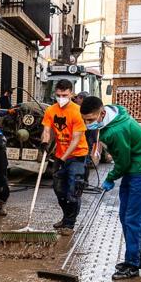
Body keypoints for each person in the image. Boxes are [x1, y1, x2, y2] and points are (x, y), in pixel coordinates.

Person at [79, 97, 141, 280]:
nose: (87, 124)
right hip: (136, 168)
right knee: (126, 216)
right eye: (85, 120)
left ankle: (132, 265)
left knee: (132, 219)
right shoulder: (114, 115)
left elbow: (122, 162)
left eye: (91, 120)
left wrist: (110, 178)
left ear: (102, 113)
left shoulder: (115, 131)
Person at [41, 79, 89, 234]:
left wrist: (64, 157)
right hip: (59, 155)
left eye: (65, 95)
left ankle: (69, 224)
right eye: (59, 95)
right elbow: (47, 129)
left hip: (77, 156)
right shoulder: (51, 110)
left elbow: (76, 139)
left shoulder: (78, 112)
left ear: (71, 94)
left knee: (72, 191)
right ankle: (66, 216)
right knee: (58, 190)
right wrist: (44, 141)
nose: (61, 98)